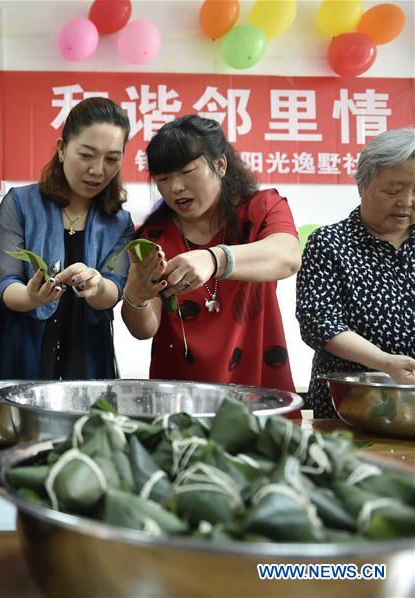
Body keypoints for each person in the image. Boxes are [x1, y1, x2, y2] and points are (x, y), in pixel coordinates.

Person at [121, 114, 300, 392]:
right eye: (164, 178)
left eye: (187, 172)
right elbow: (145, 329)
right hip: (181, 400)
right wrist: (136, 298)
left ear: (220, 164)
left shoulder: (263, 208)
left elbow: (288, 256)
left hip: (259, 393)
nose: (175, 187)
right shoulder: (153, 237)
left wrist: (214, 258)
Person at [0, 97, 134, 380]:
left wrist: (98, 286)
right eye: (86, 155)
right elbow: (5, 283)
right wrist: (30, 296)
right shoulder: (20, 204)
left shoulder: (119, 221)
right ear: (62, 149)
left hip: (86, 352)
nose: (98, 170)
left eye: (112, 159)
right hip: (20, 348)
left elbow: (115, 290)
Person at [296, 128, 415, 418]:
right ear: (362, 186)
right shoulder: (330, 243)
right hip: (350, 405)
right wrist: (384, 362)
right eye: (393, 190)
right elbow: (318, 322)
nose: (407, 201)